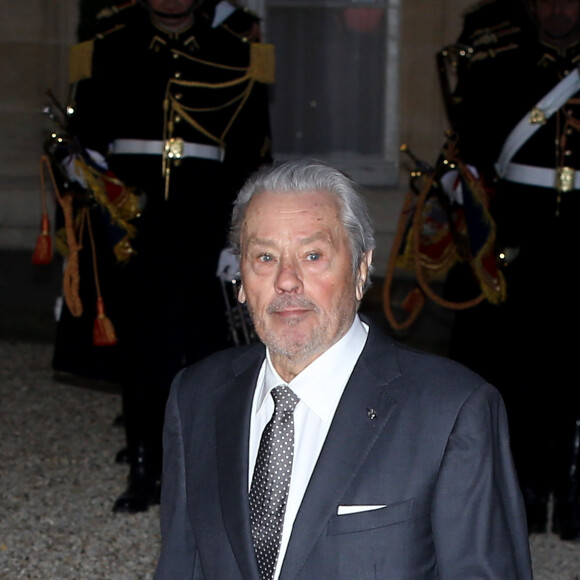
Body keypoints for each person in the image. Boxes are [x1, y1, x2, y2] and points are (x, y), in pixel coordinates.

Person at [154, 159, 532, 579]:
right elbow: (180, 564)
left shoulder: (452, 412)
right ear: (241, 278)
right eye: (264, 257)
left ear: (361, 269)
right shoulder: (196, 397)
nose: (287, 281)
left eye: (313, 255)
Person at [51, 0, 273, 513]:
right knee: (140, 346)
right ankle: (145, 466)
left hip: (205, 215)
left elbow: (253, 157)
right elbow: (85, 139)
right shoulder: (107, 49)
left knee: (207, 350)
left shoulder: (238, 54)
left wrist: (239, 237)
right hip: (133, 217)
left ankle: (201, 468)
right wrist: (79, 168)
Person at [444, 0, 580, 539]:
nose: (557, 8)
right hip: (517, 231)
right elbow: (468, 154)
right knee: (515, 362)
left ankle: (570, 489)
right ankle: (519, 490)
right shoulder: (496, 55)